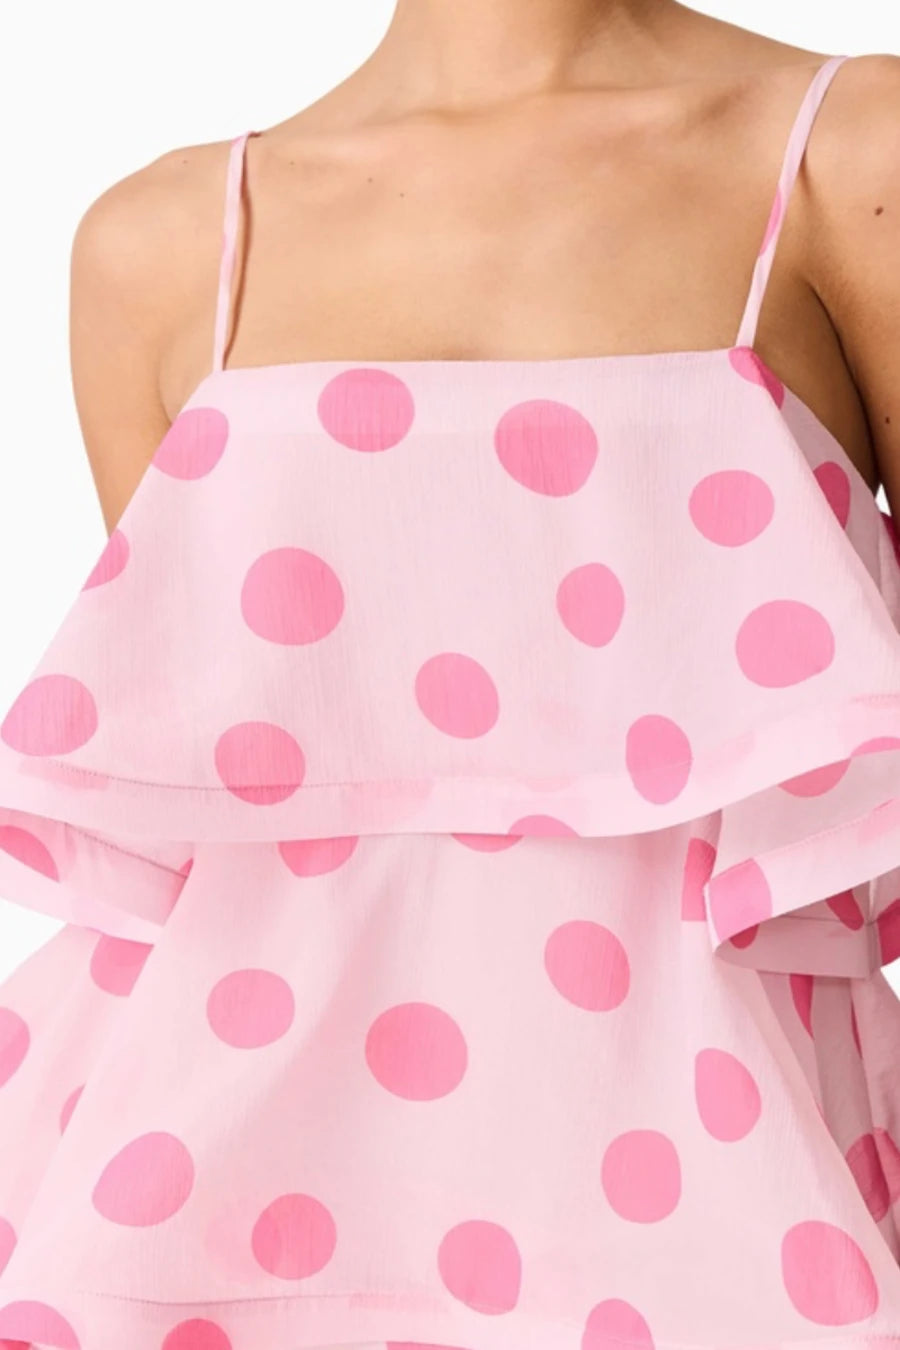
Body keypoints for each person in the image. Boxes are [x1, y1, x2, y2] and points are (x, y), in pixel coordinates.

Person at [0, 2, 899, 1348]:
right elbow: (211, 787)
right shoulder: (166, 243)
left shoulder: (852, 152)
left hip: (733, 1205)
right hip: (214, 1195)